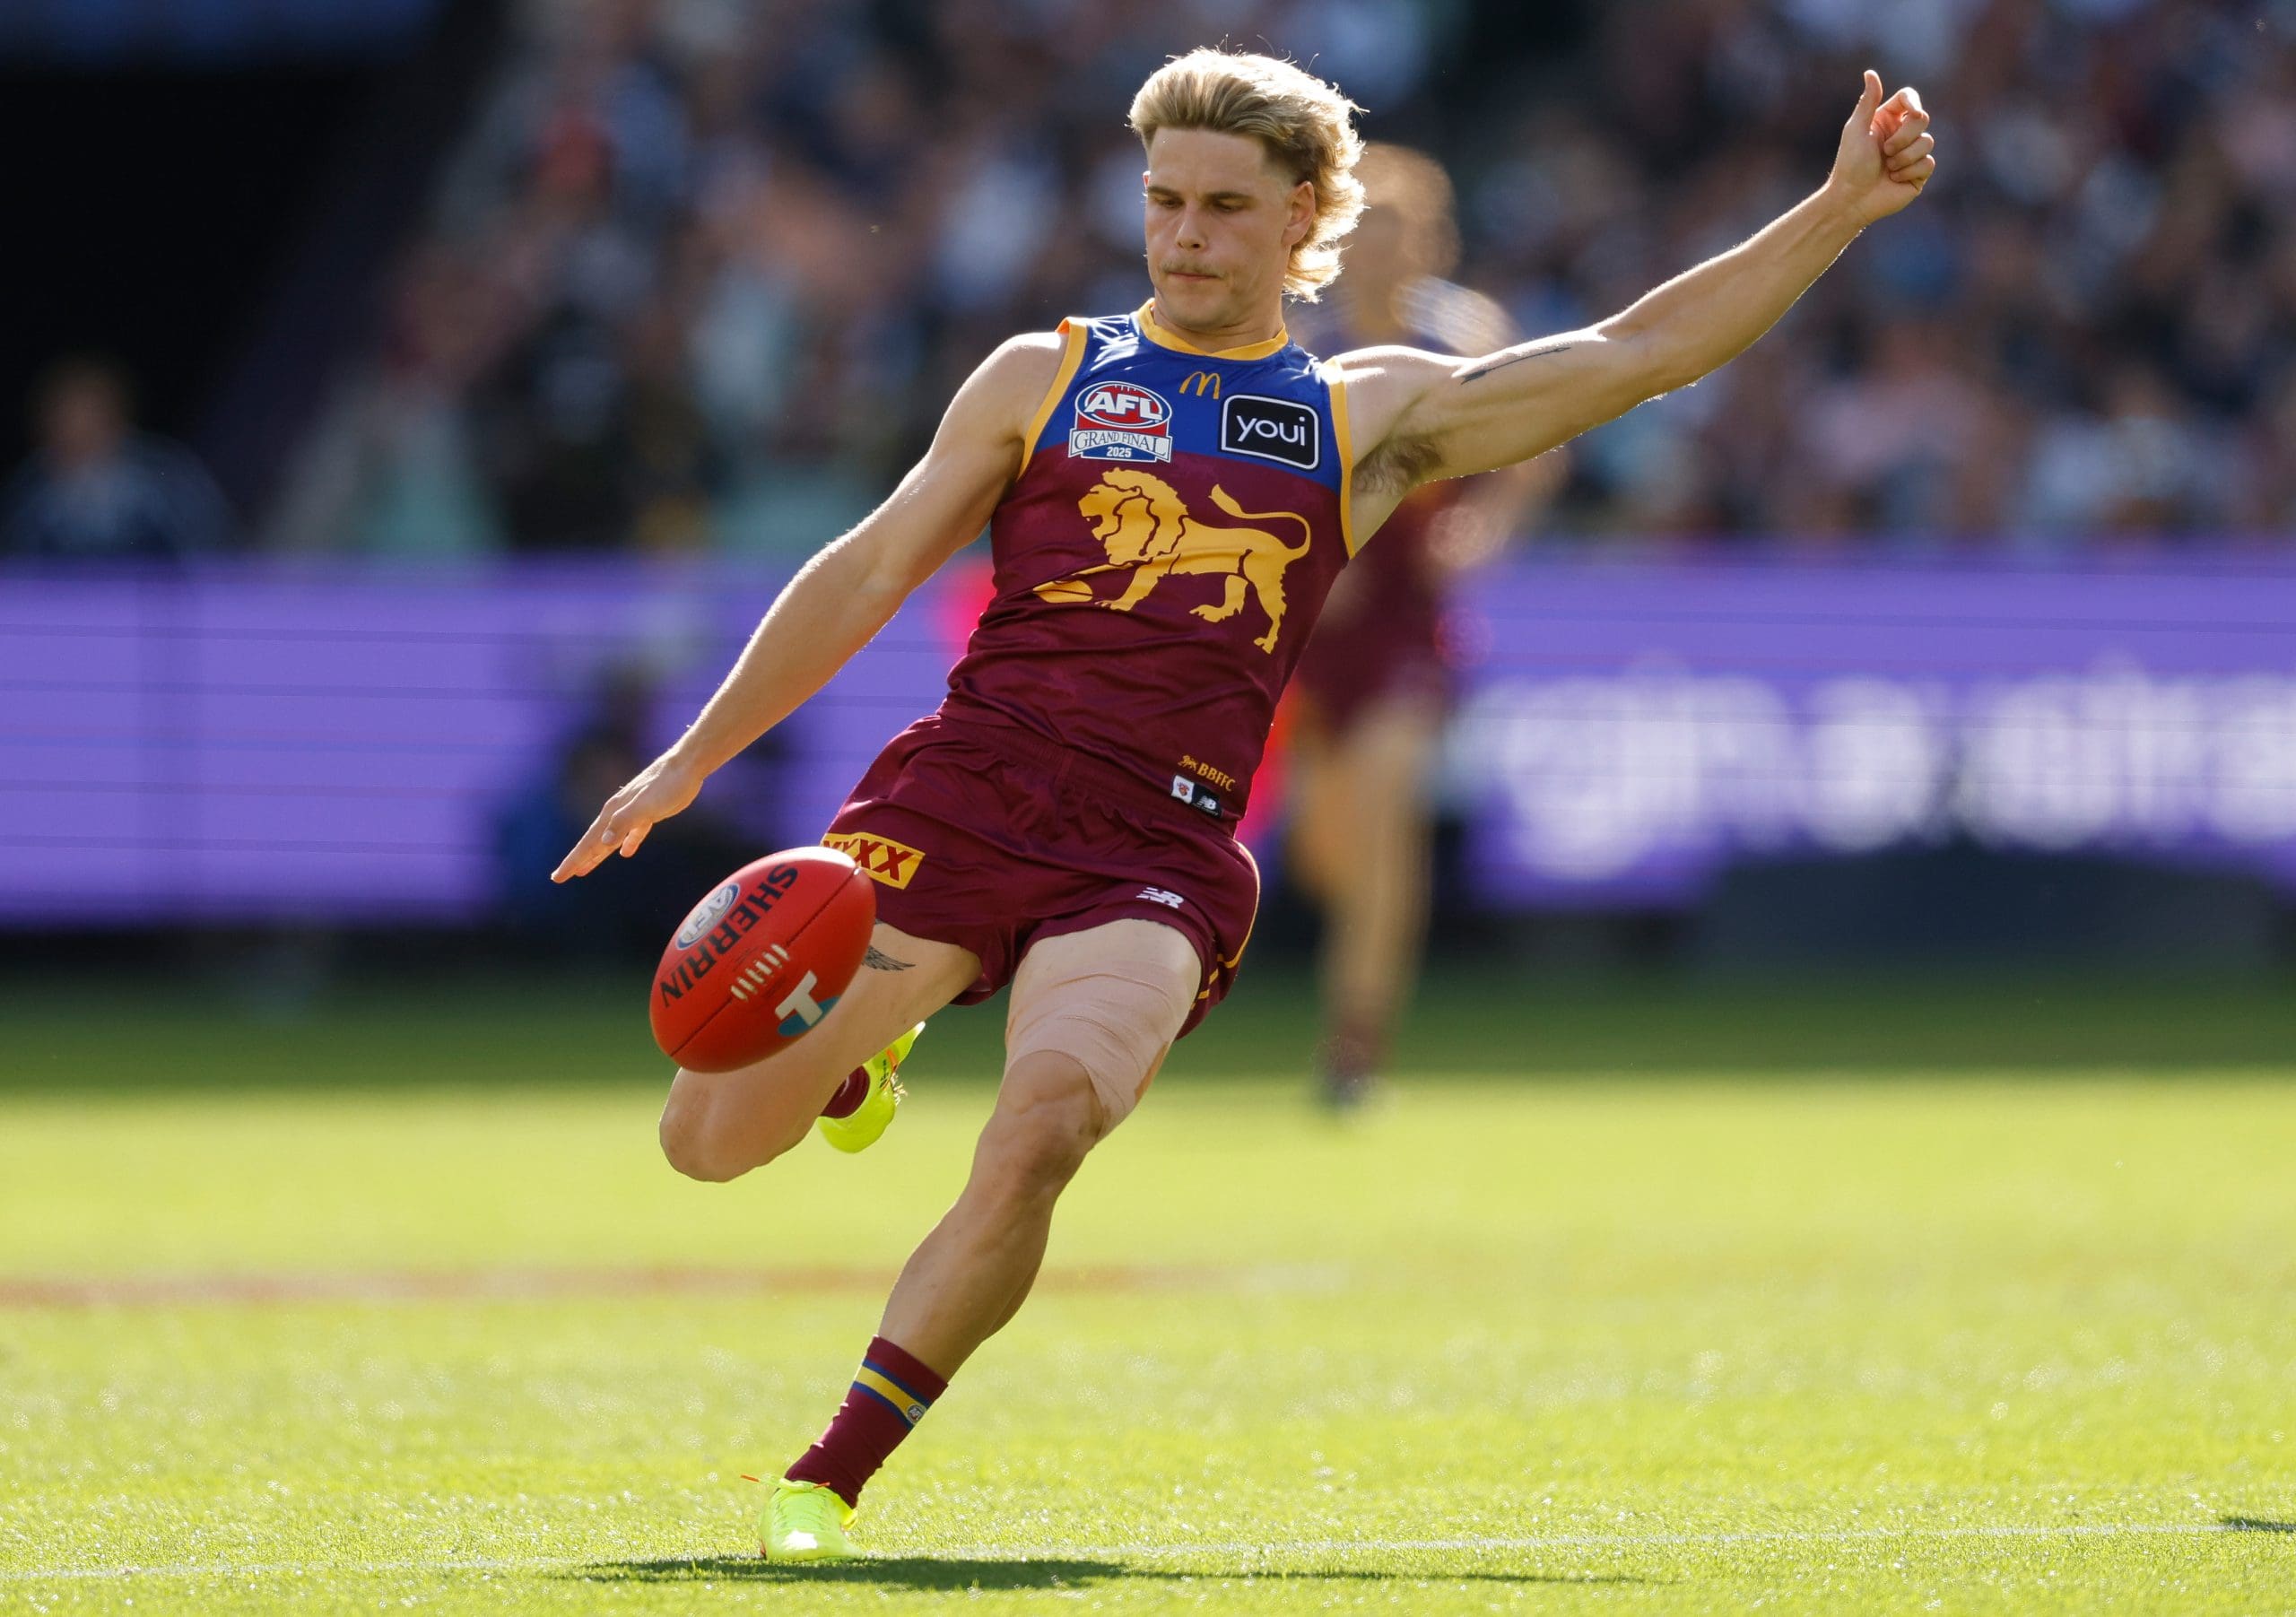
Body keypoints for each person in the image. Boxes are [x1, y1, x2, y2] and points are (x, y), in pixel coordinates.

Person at [551, 48, 1935, 1561]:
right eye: (1164, 200)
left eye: (1224, 204)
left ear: (1306, 219)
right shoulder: (1045, 375)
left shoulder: (1363, 414)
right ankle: (853, 1065)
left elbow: (1631, 354)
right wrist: (690, 756)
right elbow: (871, 567)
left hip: (1155, 853)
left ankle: (831, 1468)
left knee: (1047, 1124)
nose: (1186, 232)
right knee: (704, 1140)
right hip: (958, 799)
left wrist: (1838, 210)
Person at [1284, 143, 1561, 1109]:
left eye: (1401, 233)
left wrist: (1487, 532)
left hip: (1406, 620)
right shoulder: (1298, 344)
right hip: (1302, 628)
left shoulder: (1465, 337)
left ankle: (1353, 1045)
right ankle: (1355, 992)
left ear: (1431, 243)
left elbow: (1540, 442)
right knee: (1326, 849)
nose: (1380, 253)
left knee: (1386, 808)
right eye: (1366, 234)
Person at [1, 359, 236, 561]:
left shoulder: (166, 479)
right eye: (64, 421)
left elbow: (214, 553)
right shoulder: (30, 492)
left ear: (116, 420)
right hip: (64, 612)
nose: (76, 432)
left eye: (88, 419)